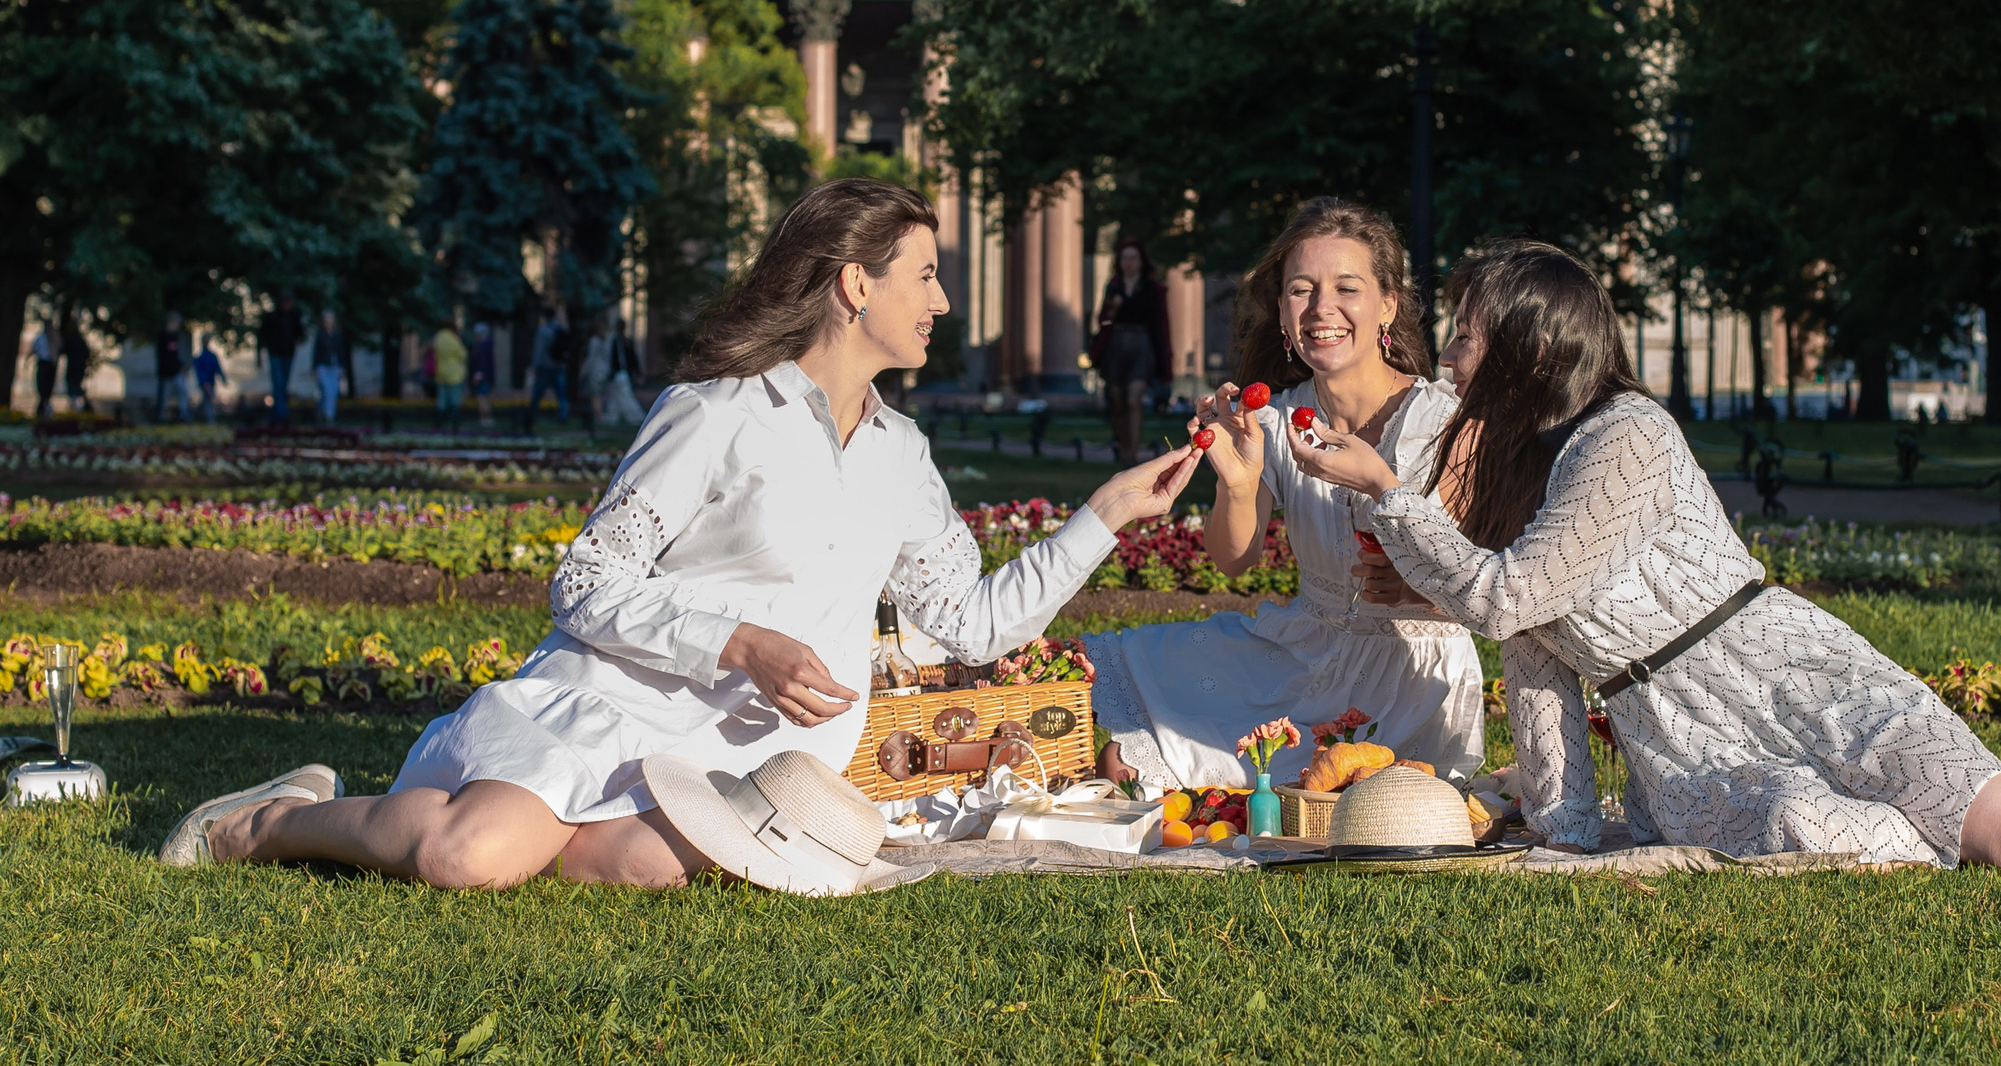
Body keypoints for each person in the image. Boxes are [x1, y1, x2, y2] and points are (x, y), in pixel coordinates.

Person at [162, 177, 1208, 890]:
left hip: (752, 761)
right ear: (855, 286)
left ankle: (521, 826)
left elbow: (974, 624)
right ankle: (271, 818)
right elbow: (585, 583)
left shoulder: (902, 456)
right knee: (467, 860)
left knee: (637, 868)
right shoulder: (715, 410)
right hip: (624, 701)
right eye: (923, 275)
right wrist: (739, 643)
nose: (942, 299)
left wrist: (1107, 513)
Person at [1321, 241, 2001, 873]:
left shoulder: (1629, 437)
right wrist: (1556, 835)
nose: (1450, 354)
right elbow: (1534, 653)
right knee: (1826, 837)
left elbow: (1508, 593)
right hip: (1683, 742)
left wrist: (1393, 499)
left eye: (1466, 331)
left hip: (1802, 682)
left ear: (1526, 345)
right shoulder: (1513, 482)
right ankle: (1908, 841)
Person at [1083, 198, 1482, 794]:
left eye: (1347, 288)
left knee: (1345, 794)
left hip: (1412, 675)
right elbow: (1233, 558)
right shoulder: (1275, 418)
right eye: (1301, 289)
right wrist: (1237, 485)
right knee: (1123, 760)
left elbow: (1500, 581)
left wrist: (1418, 591)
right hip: (1301, 653)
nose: (1323, 308)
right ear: (1282, 312)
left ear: (1387, 306)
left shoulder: (1447, 422)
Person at [1090, 240, 1173, 466]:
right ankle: (1124, 445)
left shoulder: (1151, 288)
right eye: (1125, 258)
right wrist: (1112, 309)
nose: (1129, 263)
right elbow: (1103, 321)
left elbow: (1160, 324)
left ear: (1141, 261)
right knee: (1117, 399)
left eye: (1133, 258)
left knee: (1134, 398)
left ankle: (1132, 455)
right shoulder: (1113, 286)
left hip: (1141, 344)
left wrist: (1165, 359)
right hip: (1116, 344)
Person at [258, 291, 305, 425]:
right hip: (275, 354)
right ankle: (282, 415)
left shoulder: (294, 316)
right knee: (278, 383)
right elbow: (263, 336)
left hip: (288, 354)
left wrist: (298, 339)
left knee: (282, 385)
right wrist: (260, 355)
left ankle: (276, 415)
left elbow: (300, 334)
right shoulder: (272, 317)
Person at [590, 315, 644, 427]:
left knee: (624, 396)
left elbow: (616, 358)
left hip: (619, 372)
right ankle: (612, 417)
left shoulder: (618, 341)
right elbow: (633, 359)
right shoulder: (622, 340)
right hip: (620, 373)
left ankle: (634, 417)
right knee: (616, 397)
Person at [528, 305, 570, 424]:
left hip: (546, 365)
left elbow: (539, 349)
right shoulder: (560, 328)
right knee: (561, 393)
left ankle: (533, 414)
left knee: (538, 392)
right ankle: (564, 414)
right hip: (559, 365)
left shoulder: (543, 330)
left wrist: (535, 365)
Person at [312, 311, 348, 425]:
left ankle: (324, 413)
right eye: (327, 319)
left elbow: (341, 351)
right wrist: (315, 368)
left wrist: (343, 366)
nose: (329, 321)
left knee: (333, 392)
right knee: (327, 391)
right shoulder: (320, 335)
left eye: (331, 319)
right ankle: (328, 416)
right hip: (323, 366)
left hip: (335, 366)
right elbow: (316, 352)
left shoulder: (338, 335)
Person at [431, 319, 468, 425]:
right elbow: (462, 355)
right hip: (455, 373)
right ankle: (454, 422)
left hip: (441, 372)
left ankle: (439, 421)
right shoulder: (453, 338)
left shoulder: (437, 338)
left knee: (442, 398)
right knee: (455, 398)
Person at [468, 321, 498, 427]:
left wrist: (479, 373)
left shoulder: (484, 346)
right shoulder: (484, 345)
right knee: (483, 397)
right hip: (483, 375)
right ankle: (486, 419)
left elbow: (483, 362)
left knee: (482, 398)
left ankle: (486, 420)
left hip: (482, 376)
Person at [192, 334, 226, 423]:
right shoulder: (200, 357)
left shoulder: (211, 356)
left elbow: (217, 367)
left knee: (207, 400)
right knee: (208, 400)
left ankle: (197, 414)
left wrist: (223, 377)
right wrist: (204, 381)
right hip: (205, 382)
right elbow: (199, 371)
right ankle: (209, 419)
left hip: (210, 381)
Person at [28, 319, 56, 419]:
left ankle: (44, 408)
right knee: (42, 387)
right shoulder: (40, 338)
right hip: (43, 363)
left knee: (47, 387)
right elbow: (34, 349)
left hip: (50, 364)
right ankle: (43, 408)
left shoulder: (53, 338)